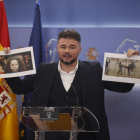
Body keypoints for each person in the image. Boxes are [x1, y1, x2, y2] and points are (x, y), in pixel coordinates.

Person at [4, 29, 138, 140]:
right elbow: (19, 88)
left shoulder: (94, 70)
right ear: (57, 49)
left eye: (72, 47)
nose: (67, 51)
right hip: (50, 135)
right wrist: (7, 63)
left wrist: (133, 65)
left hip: (87, 135)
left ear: (80, 50)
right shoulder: (44, 70)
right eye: (63, 47)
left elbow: (123, 88)